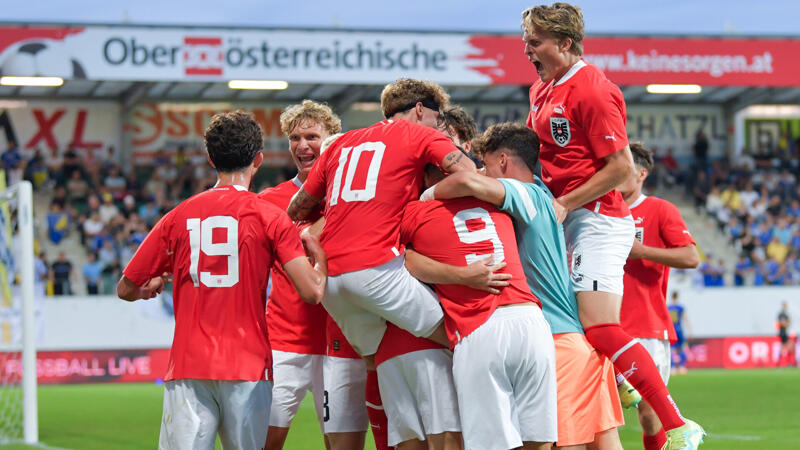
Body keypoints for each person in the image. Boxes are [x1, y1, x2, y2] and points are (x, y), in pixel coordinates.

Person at [521, 4, 704, 448]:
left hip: (598, 219)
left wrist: (563, 203)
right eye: (526, 39)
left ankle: (677, 423)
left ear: (565, 43)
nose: (527, 49)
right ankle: (613, 394)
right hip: (568, 219)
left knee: (600, 327)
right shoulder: (541, 88)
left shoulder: (595, 90)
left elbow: (621, 168)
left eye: (536, 41)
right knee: (568, 326)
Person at [117, 110, 329, 449]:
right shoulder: (270, 216)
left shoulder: (177, 216)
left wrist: (149, 287)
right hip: (247, 365)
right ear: (258, 159)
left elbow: (125, 288)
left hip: (188, 366)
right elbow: (312, 291)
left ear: (210, 159)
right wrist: (318, 256)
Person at [422, 122, 622, 449]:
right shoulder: (542, 194)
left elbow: (466, 181)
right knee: (605, 443)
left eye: (486, 164)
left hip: (557, 340)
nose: (483, 173)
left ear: (502, 161)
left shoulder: (526, 194)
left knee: (562, 444)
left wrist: (426, 195)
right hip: (574, 340)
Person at [286, 78, 475, 365]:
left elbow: (296, 208)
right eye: (436, 119)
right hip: (376, 267)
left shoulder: (343, 141)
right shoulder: (418, 134)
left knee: (378, 363)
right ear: (421, 109)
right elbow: (469, 172)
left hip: (330, 279)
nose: (438, 127)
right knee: (461, 339)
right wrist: (427, 195)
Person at [259, 100, 341, 450]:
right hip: (284, 341)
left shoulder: (352, 196)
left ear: (332, 140)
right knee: (263, 442)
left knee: (341, 444)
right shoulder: (270, 199)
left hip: (340, 342)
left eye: (311, 136)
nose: (302, 145)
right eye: (295, 138)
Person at [617, 142, 700, 450]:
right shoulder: (599, 209)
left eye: (624, 166)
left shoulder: (660, 210)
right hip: (600, 324)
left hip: (646, 324)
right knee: (597, 410)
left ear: (641, 173)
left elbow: (691, 257)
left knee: (649, 413)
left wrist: (641, 252)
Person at [667, 293, 691, 375]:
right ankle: (682, 367)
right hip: (679, 330)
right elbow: (685, 319)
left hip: (671, 331)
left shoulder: (668, 307)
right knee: (681, 348)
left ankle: (672, 368)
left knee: (671, 350)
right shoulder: (680, 308)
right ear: (677, 297)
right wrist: (690, 329)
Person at [777, 302, 794, 368]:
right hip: (782, 333)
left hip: (785, 333)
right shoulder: (780, 314)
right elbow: (780, 324)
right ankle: (782, 364)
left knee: (788, 348)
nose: (785, 307)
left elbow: (788, 324)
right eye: (784, 306)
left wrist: (785, 324)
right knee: (786, 348)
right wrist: (785, 324)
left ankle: (784, 364)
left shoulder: (786, 315)